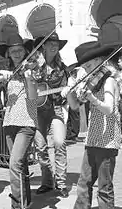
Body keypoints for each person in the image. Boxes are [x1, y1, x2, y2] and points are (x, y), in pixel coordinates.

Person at [62, 41, 122, 209]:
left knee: (104, 187)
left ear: (100, 61)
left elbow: (109, 109)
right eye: (85, 68)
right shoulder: (91, 83)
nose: (87, 71)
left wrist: (92, 99)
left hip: (107, 140)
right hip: (92, 139)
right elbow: (74, 106)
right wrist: (69, 93)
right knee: (84, 182)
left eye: (89, 66)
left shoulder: (109, 80)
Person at [0, 33, 38, 209]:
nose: (16, 53)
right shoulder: (7, 73)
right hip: (9, 122)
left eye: (19, 50)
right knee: (20, 165)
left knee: (14, 164)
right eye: (13, 51)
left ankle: (17, 205)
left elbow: (33, 97)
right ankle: (26, 202)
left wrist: (29, 78)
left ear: (24, 51)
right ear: (8, 54)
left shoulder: (31, 70)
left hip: (26, 123)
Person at [32, 32, 69, 198]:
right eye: (51, 43)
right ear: (44, 46)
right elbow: (30, 88)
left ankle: (61, 183)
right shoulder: (35, 67)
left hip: (56, 108)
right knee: (40, 147)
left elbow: (66, 91)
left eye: (57, 43)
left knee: (60, 143)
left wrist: (67, 92)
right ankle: (47, 182)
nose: (54, 46)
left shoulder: (63, 69)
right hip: (38, 111)